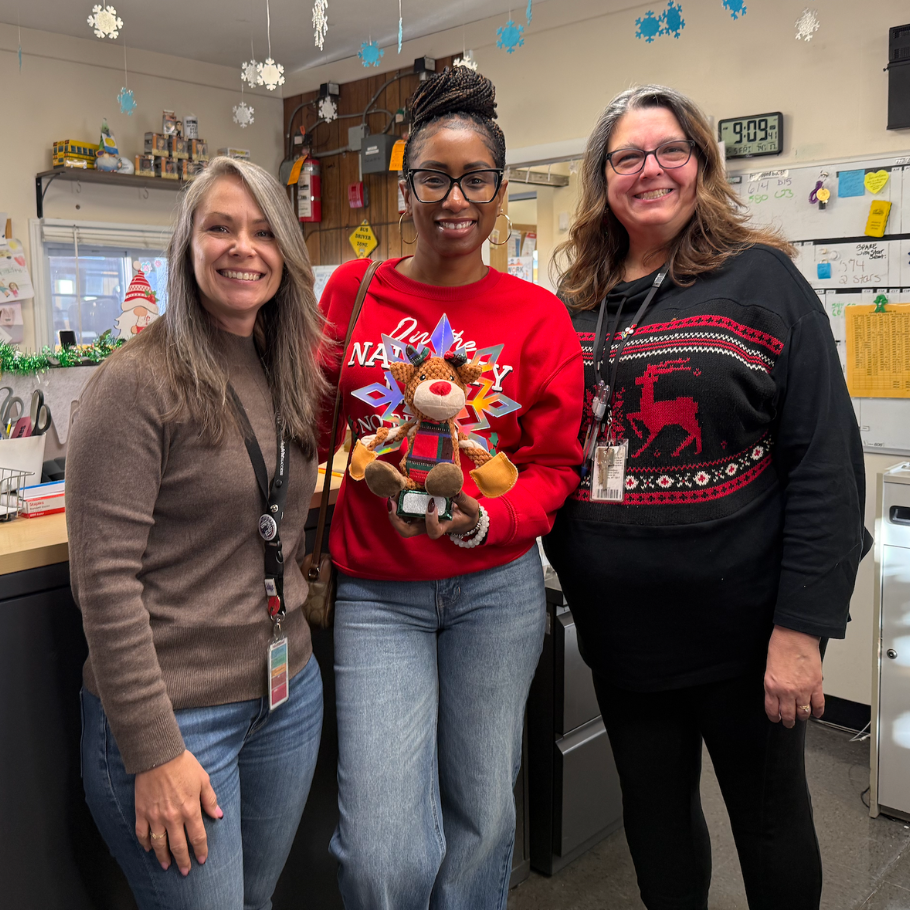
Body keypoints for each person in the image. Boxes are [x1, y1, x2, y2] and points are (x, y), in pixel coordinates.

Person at [544, 85, 870, 910]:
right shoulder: (577, 305)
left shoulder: (763, 281)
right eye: (628, 155)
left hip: (746, 638)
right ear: (603, 176)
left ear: (700, 165)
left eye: (670, 151)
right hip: (622, 641)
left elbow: (827, 466)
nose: (650, 169)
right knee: (655, 827)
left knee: (770, 830)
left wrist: (801, 632)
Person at [318, 67, 583, 910]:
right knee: (382, 853)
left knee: (481, 821)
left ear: (500, 190)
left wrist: (492, 516)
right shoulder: (352, 292)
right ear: (408, 187)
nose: (453, 197)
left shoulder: (538, 316)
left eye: (474, 178)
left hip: (496, 592)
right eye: (434, 176)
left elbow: (555, 464)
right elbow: (313, 427)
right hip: (377, 593)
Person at [67, 156, 327, 910]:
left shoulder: (281, 368)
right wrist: (152, 750)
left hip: (285, 696)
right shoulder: (135, 382)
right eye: (219, 227)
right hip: (177, 719)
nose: (242, 247)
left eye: (262, 231)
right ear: (187, 245)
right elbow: (104, 584)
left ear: (285, 252)